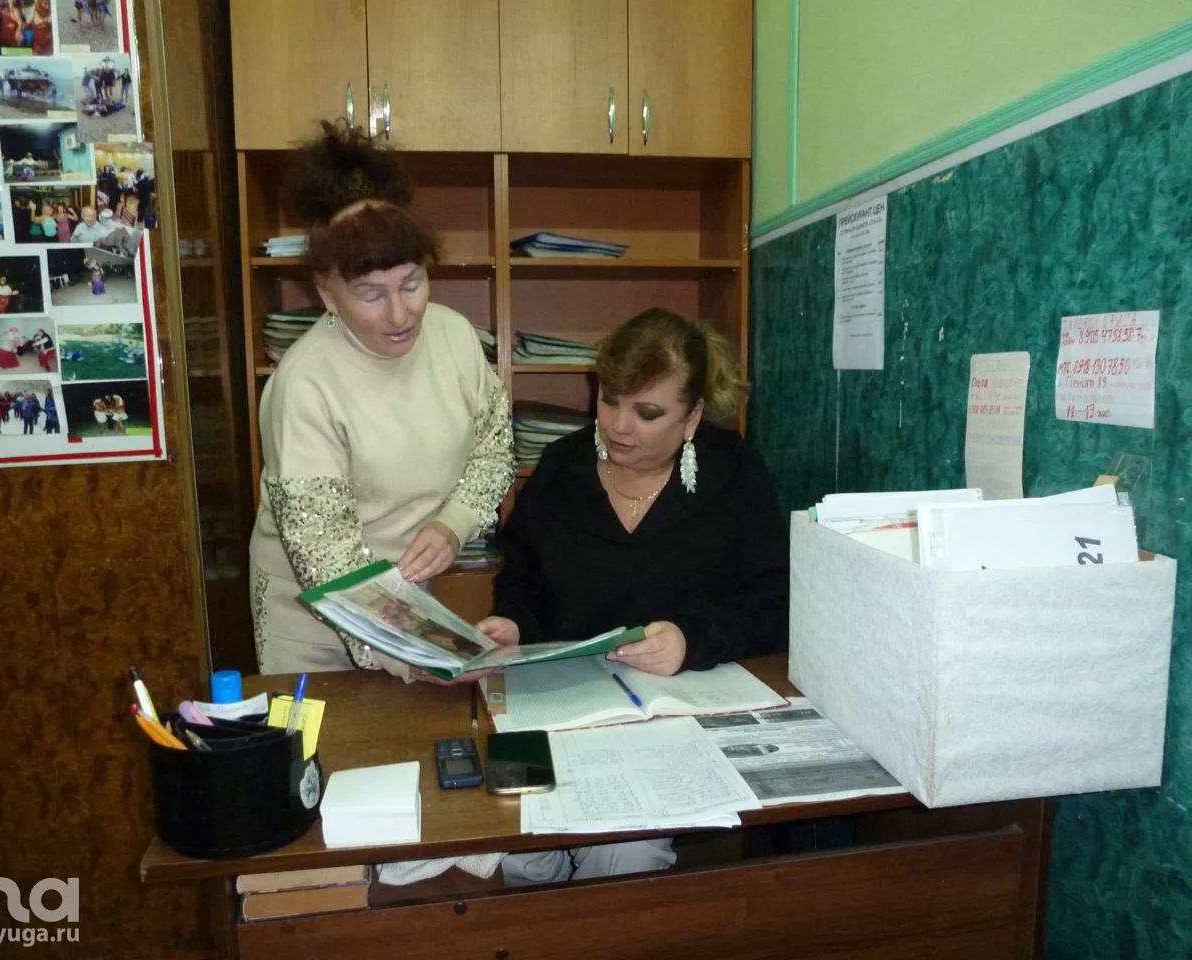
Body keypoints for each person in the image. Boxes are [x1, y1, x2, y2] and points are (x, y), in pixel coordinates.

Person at [477, 307, 789, 885]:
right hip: (558, 702)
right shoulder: (562, 466)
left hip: (676, 709)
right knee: (516, 844)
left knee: (624, 856)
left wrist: (691, 639)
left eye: (648, 413)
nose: (619, 425)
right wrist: (512, 623)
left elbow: (773, 603)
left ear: (693, 416)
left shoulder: (734, 473)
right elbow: (523, 579)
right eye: (609, 400)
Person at [248, 122, 514, 677]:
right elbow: (328, 560)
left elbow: (493, 449)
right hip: (316, 619)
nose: (400, 314)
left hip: (410, 600)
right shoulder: (304, 385)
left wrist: (454, 524)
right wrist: (425, 654)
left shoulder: (454, 337)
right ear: (327, 292)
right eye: (371, 295)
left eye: (412, 284)